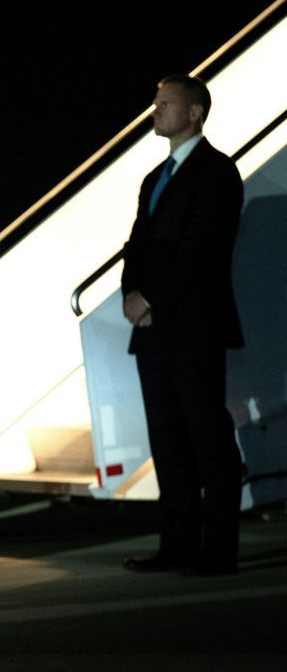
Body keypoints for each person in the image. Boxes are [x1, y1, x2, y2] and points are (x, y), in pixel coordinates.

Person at [121, 75, 244, 577]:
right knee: (168, 443)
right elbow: (136, 245)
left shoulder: (217, 172)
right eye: (156, 102)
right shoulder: (155, 178)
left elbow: (201, 250)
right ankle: (176, 547)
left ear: (194, 113)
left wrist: (151, 296)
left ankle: (217, 553)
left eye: (166, 103)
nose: (156, 110)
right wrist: (132, 292)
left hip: (194, 328)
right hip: (152, 331)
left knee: (207, 441)